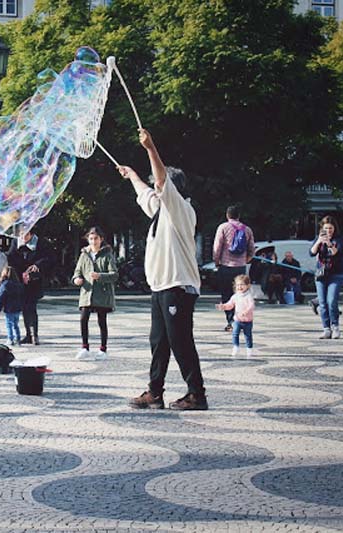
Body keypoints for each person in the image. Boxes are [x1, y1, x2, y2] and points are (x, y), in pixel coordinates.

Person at [119, 128, 208, 411]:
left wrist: (150, 148)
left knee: (180, 342)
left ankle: (197, 394)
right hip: (161, 287)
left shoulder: (181, 209)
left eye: (163, 188)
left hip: (177, 286)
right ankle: (154, 392)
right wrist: (132, 175)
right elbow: (146, 192)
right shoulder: (160, 211)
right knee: (158, 341)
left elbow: (159, 181)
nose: (157, 190)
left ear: (174, 189)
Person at [72, 226, 118, 361]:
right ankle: (84, 347)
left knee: (101, 321)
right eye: (91, 238)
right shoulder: (84, 255)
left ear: (101, 239)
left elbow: (114, 275)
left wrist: (100, 276)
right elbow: (77, 272)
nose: (93, 241)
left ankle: (103, 349)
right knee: (83, 319)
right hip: (87, 292)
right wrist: (77, 279)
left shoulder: (107, 254)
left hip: (102, 293)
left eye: (96, 238)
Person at [7, 228, 55, 345]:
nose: (24, 237)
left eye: (26, 234)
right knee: (24, 307)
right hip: (20, 279)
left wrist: (37, 265)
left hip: (34, 279)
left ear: (32, 234)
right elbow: (11, 258)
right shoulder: (15, 242)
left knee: (31, 306)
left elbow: (50, 258)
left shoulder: (41, 243)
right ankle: (28, 334)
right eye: (21, 234)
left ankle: (34, 335)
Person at [213, 205, 254, 331]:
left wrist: (216, 261)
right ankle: (240, 320)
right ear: (239, 216)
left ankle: (231, 321)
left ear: (227, 215)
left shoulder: (223, 227)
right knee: (241, 294)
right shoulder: (247, 229)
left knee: (227, 294)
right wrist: (245, 260)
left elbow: (217, 247)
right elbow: (252, 249)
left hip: (226, 266)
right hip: (240, 267)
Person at [310, 215, 343, 339]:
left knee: (331, 301)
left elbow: (336, 253)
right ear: (322, 228)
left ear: (334, 228)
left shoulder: (339, 239)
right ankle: (326, 328)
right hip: (321, 275)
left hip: (336, 274)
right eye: (326, 228)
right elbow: (311, 252)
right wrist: (319, 241)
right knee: (322, 303)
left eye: (330, 228)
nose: (328, 231)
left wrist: (329, 243)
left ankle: (335, 327)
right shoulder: (319, 238)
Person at [216, 274, 255, 357]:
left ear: (248, 286)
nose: (239, 287)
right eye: (238, 285)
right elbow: (230, 305)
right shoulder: (235, 296)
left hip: (247, 321)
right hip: (237, 320)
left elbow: (251, 306)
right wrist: (223, 306)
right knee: (235, 334)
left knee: (248, 336)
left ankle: (249, 349)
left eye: (242, 285)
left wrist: (246, 311)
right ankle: (235, 347)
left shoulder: (249, 296)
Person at [0, 265, 24, 346]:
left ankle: (10, 339)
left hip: (9, 308)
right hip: (17, 308)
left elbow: (1, 297)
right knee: (16, 324)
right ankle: (18, 338)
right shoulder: (19, 285)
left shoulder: (5, 285)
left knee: (9, 324)